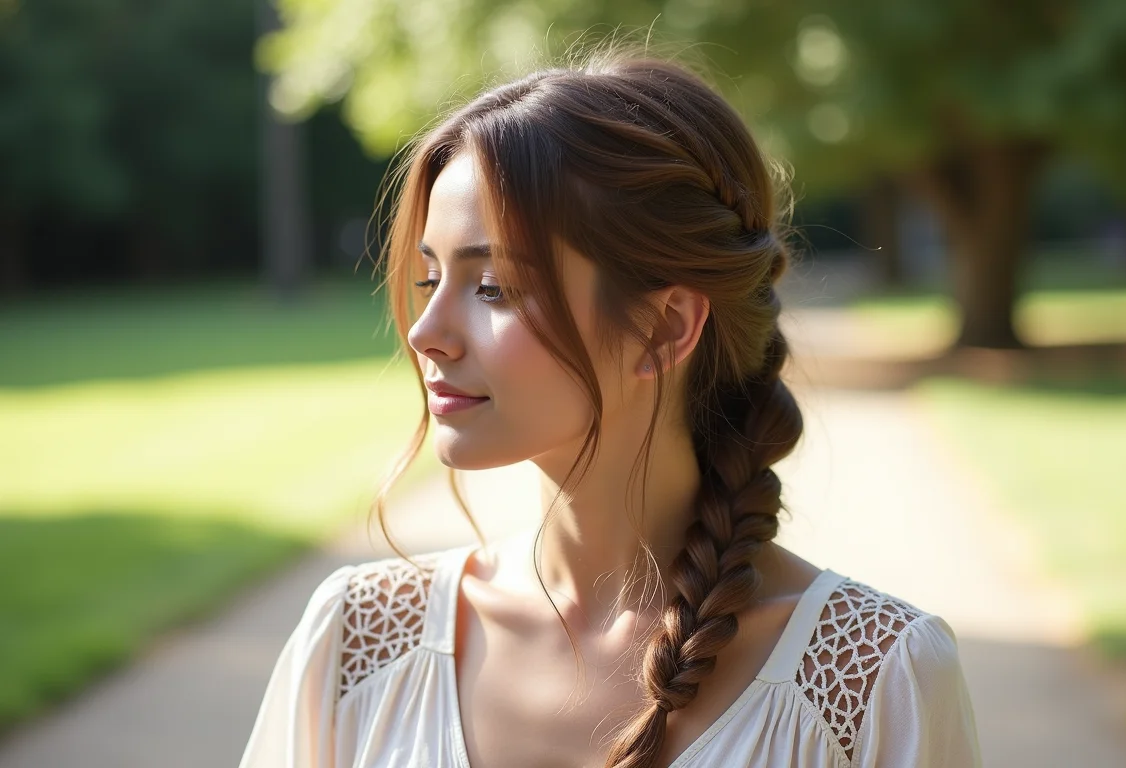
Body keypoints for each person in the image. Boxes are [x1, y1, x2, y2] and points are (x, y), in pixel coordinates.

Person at [238, 49, 982, 768]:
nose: (427, 333)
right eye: (431, 278)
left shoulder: (873, 679)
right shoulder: (360, 641)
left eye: (492, 286)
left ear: (663, 329)